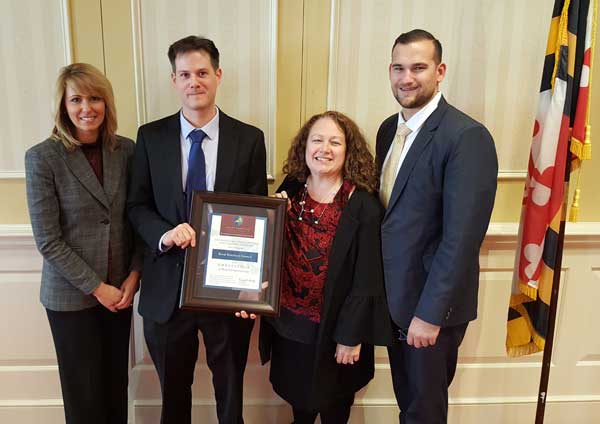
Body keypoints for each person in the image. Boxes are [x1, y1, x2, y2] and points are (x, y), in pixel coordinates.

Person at [127, 35, 267, 424]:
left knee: (230, 393)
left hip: (226, 290)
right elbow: (135, 206)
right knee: (173, 396)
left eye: (202, 72)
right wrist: (164, 233)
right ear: (173, 80)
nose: (195, 82)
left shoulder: (249, 138)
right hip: (165, 290)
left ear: (218, 75)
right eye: (185, 74)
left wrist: (250, 288)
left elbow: (258, 217)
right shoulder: (150, 137)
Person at [376, 29, 498, 423]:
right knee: (408, 405)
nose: (406, 77)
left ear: (440, 70)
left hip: (430, 310)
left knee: (425, 413)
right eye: (398, 68)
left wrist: (429, 314)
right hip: (395, 303)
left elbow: (461, 239)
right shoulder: (386, 131)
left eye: (418, 68)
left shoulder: (466, 136)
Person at [24, 63, 142, 424]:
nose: (86, 107)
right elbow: (48, 240)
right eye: (76, 99)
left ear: (106, 104)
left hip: (120, 293)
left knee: (114, 387)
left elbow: (137, 217)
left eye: (94, 98)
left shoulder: (127, 151)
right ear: (63, 106)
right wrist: (97, 288)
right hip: (71, 298)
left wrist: (135, 273)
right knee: (84, 395)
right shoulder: (43, 157)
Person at [258, 111, 393, 424]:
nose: (324, 148)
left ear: (349, 151)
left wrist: (351, 335)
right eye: (317, 140)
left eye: (335, 142)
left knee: (334, 409)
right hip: (290, 327)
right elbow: (270, 249)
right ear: (305, 146)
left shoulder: (363, 206)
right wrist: (277, 214)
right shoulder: (291, 188)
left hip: (336, 332)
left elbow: (368, 278)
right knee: (300, 407)